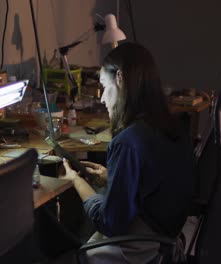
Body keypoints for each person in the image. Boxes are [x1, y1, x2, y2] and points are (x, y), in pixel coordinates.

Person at [60, 42, 194, 263]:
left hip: (140, 250)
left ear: (120, 79)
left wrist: (75, 181)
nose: (102, 98)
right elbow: (154, 186)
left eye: (104, 86)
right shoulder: (173, 128)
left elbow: (110, 222)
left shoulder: (128, 142)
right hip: (165, 244)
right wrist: (112, 177)